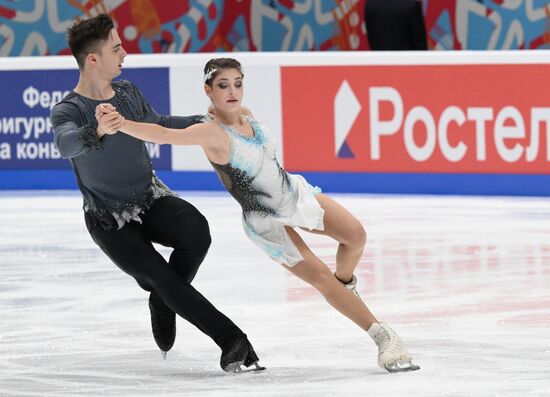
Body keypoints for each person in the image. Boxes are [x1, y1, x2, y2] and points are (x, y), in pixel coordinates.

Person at [98, 57, 420, 373]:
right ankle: (383, 337)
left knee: (355, 237)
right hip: (265, 221)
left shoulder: (248, 118)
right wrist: (122, 124)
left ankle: (346, 286)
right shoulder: (211, 134)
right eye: (223, 85)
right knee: (321, 278)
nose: (232, 91)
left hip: (294, 195)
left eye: (237, 83)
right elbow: (166, 135)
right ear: (208, 90)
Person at [50, 15, 263, 373]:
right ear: (93, 59)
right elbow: (66, 144)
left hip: (149, 198)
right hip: (108, 220)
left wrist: (206, 121)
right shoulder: (68, 110)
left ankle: (164, 302)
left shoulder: (129, 92)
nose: (125, 53)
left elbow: (159, 123)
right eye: (116, 48)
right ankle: (232, 340)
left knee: (197, 231)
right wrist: (98, 128)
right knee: (160, 275)